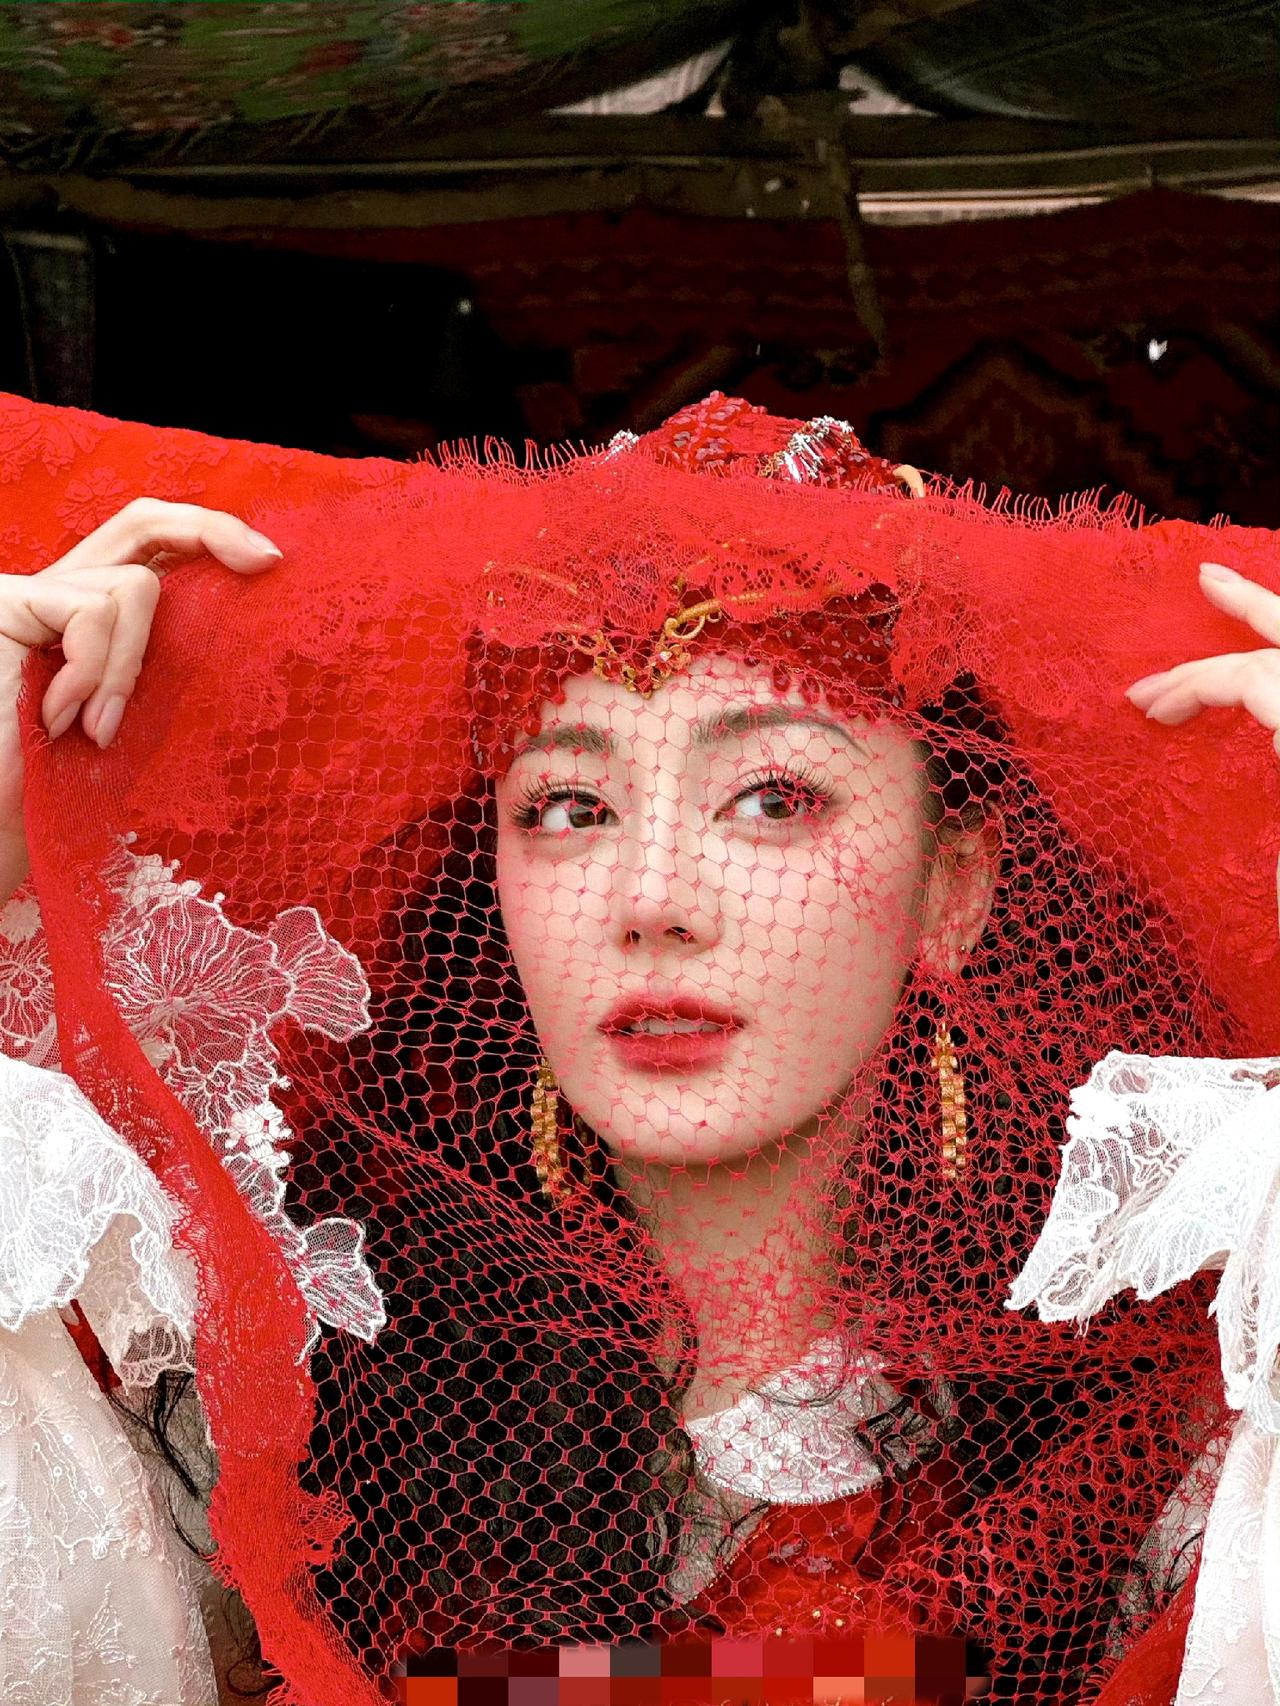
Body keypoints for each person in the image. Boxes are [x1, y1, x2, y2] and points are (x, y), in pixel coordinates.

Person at [0, 389, 1275, 1706]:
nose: (652, 899)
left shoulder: (1178, 1447)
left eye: (772, 798)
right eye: (569, 806)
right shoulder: (282, 1406)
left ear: (952, 889)